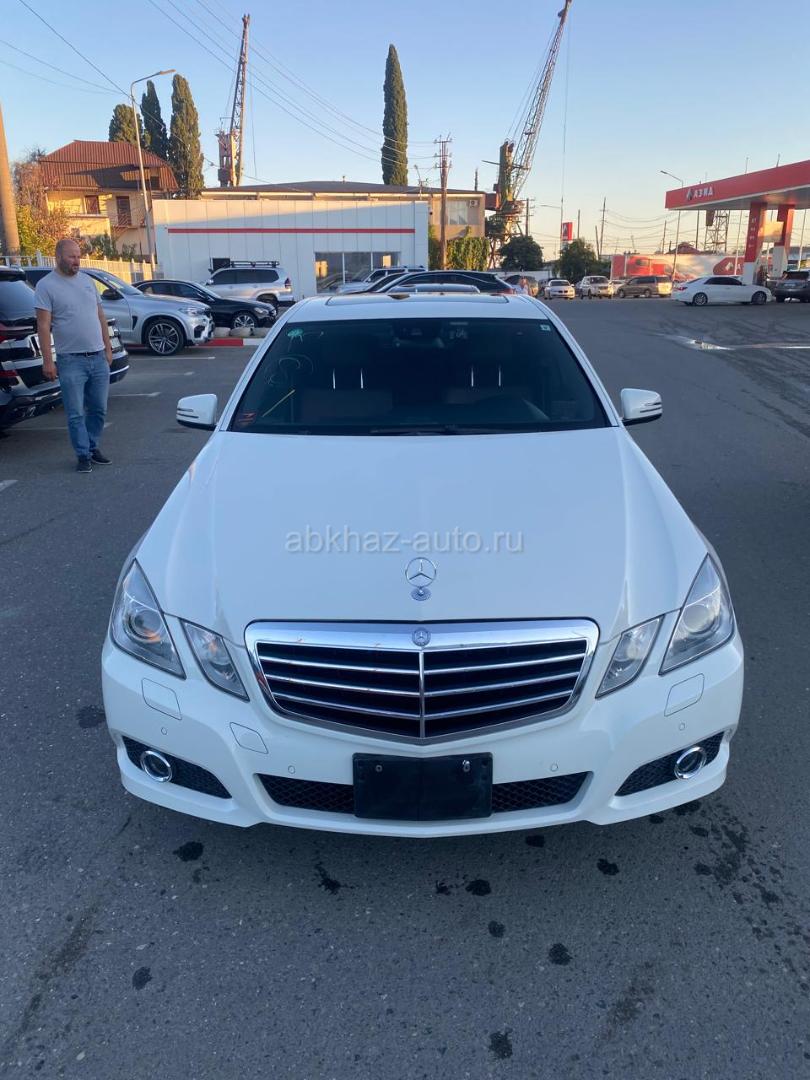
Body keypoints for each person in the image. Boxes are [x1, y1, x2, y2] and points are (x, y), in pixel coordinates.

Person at [35, 238, 114, 473]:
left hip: (98, 357)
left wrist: (108, 348)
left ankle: (92, 446)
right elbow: (43, 326)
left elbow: (100, 316)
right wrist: (48, 361)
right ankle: (83, 455)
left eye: (78, 256)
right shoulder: (46, 286)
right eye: (71, 257)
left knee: (99, 409)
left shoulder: (87, 282)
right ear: (58, 257)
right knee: (76, 413)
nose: (77, 261)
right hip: (71, 360)